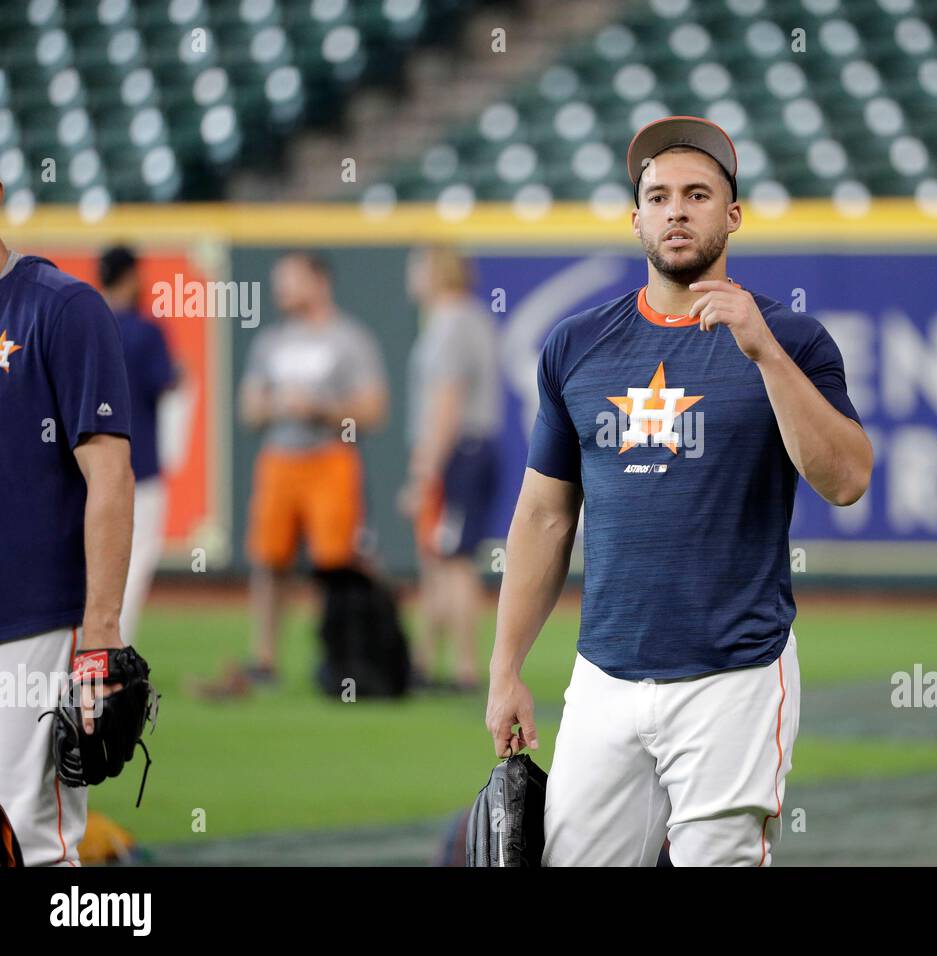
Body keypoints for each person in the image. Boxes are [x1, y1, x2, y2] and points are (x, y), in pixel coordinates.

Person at [484, 116, 873, 866]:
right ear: (636, 220)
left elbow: (848, 478)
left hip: (735, 672)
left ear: (732, 215)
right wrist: (506, 672)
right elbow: (541, 518)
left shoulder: (792, 339)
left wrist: (761, 352)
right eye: (658, 196)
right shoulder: (575, 344)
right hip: (604, 672)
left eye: (698, 194)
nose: (677, 210)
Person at [0, 186, 136, 866]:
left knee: (34, 843)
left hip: (35, 625)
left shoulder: (60, 307)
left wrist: (102, 635)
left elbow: (110, 474)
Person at [237, 252, 388, 685]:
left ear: (319, 281)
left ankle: (336, 655)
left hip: (330, 458)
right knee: (269, 560)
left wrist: (320, 408)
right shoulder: (272, 341)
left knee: (334, 563)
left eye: (290, 279)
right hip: (280, 459)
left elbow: (374, 410)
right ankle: (264, 657)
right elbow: (249, 410)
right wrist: (277, 405)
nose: (280, 289)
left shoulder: (349, 338)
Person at [401, 246, 503, 694]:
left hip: (460, 451)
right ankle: (426, 661)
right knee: (442, 557)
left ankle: (463, 668)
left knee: (455, 559)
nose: (412, 275)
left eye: (418, 265)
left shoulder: (451, 322)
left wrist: (425, 469)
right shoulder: (470, 317)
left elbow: (448, 400)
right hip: (471, 448)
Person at [97, 246, 182, 646]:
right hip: (139, 468)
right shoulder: (146, 332)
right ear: (130, 276)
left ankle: (83, 652)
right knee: (132, 564)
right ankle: (114, 653)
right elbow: (168, 382)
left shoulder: (86, 327)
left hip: (88, 469)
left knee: (91, 563)